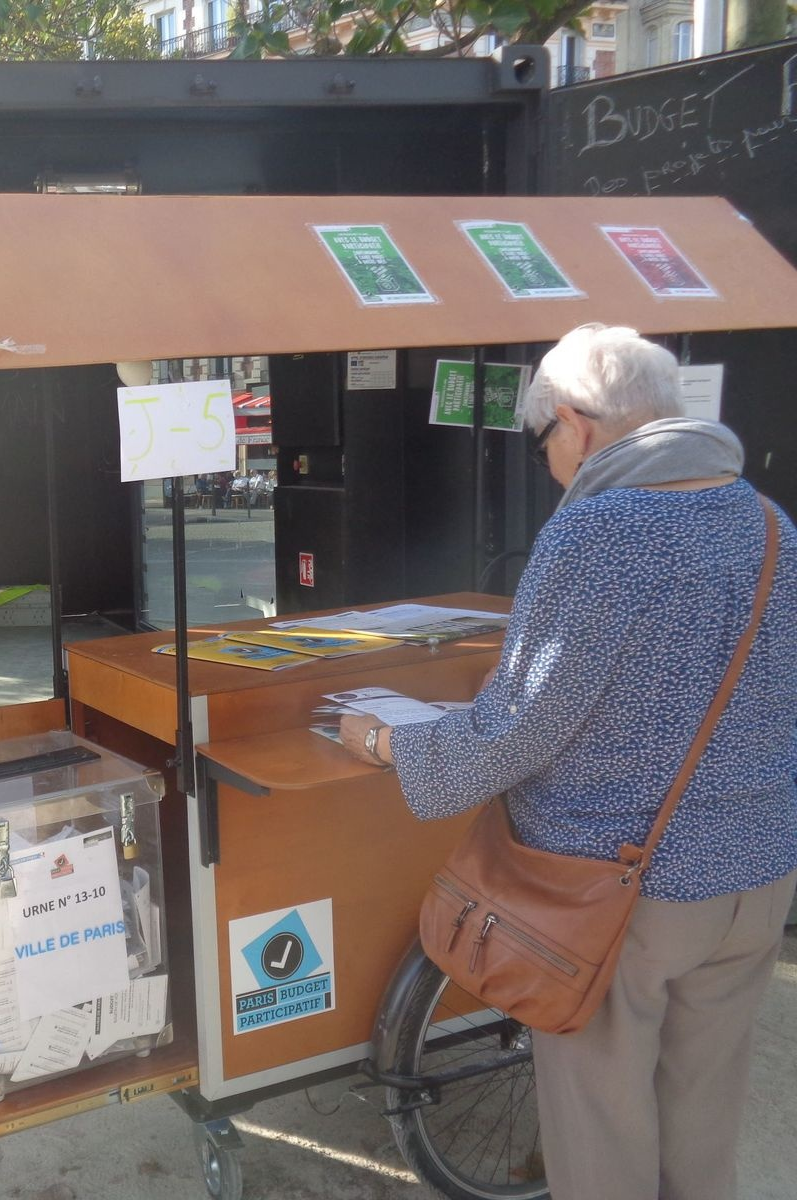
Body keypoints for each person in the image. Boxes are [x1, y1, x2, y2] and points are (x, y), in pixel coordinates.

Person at [338, 324, 797, 1200]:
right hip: (757, 872)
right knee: (703, 1121)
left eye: (541, 436)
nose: (546, 458)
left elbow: (517, 727)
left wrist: (394, 742)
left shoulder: (597, 534)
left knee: (601, 1132)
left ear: (578, 424)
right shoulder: (769, 524)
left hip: (617, 891)